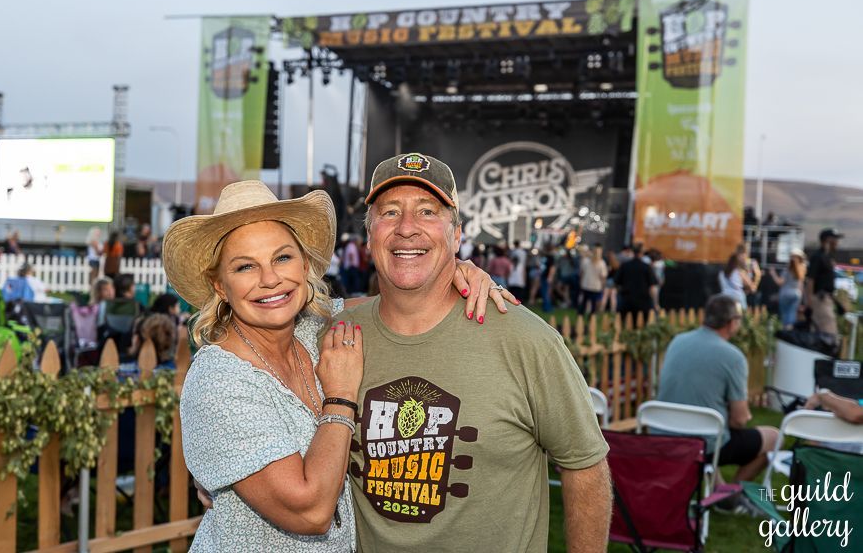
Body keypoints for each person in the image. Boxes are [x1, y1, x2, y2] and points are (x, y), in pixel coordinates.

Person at [168, 180, 514, 550]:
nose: (270, 280)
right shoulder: (220, 380)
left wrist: (455, 273)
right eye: (244, 267)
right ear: (220, 285)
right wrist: (341, 397)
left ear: (305, 265)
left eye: (282, 257)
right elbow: (311, 512)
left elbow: (394, 305)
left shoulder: (312, 330)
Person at [337, 153, 611, 553]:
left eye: (427, 211)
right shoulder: (338, 336)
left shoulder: (525, 340)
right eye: (389, 212)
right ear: (370, 235)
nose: (407, 228)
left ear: (457, 237)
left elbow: (584, 465)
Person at [657, 294, 778, 484]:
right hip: (703, 443)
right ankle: (729, 495)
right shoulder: (733, 357)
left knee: (714, 431)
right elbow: (739, 420)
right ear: (731, 323)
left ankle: (718, 492)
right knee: (774, 438)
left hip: (663, 435)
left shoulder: (677, 341)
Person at [806, 228, 842, 336]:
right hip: (820, 300)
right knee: (828, 335)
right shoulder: (818, 257)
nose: (837, 242)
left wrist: (838, 303)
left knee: (823, 335)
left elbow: (826, 284)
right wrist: (809, 303)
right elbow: (810, 280)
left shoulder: (827, 257)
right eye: (835, 239)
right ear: (828, 240)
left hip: (827, 300)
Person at [615, 243, 658, 322]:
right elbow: (653, 288)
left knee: (623, 324)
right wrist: (655, 303)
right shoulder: (647, 267)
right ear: (642, 253)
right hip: (643, 303)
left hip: (626, 302)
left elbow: (617, 283)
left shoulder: (625, 266)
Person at [769, 249, 807, 328]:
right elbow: (801, 286)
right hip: (796, 294)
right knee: (792, 314)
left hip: (785, 294)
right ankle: (790, 329)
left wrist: (773, 273)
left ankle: (786, 331)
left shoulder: (787, 270)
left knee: (785, 316)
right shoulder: (802, 269)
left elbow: (780, 282)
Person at [579, 243, 608, 315]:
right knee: (593, 304)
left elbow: (581, 273)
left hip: (586, 284)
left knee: (584, 303)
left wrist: (581, 282)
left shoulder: (585, 261)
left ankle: (580, 317)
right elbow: (603, 277)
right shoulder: (602, 263)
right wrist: (603, 286)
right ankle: (591, 318)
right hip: (596, 286)